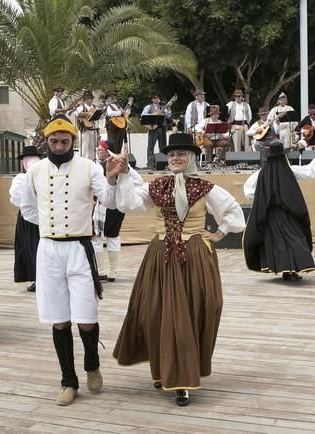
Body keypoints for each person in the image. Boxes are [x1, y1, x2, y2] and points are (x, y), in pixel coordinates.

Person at [105, 133, 246, 407]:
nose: (175, 158)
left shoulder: (206, 188)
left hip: (194, 255)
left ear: (192, 157)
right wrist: (119, 176)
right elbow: (128, 205)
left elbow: (234, 214)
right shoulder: (157, 186)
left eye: (181, 154)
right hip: (161, 256)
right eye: (171, 155)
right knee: (158, 313)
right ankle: (169, 375)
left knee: (201, 308)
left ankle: (182, 374)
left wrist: (218, 234)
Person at [19, 115, 116, 406]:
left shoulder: (88, 168)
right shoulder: (34, 171)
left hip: (80, 249)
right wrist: (51, 228)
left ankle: (92, 365)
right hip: (49, 250)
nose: (59, 145)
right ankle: (68, 381)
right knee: (59, 320)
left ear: (73, 141)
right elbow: (28, 209)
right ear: (46, 142)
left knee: (86, 317)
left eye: (64, 141)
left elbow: (109, 201)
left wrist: (111, 175)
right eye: (53, 141)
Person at [243, 140, 315, 281]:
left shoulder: (260, 174)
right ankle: (292, 270)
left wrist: (263, 200)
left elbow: (248, 192)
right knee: (294, 239)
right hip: (289, 213)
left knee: (277, 242)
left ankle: (285, 269)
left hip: (271, 214)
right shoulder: (289, 170)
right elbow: (310, 171)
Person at [92, 139, 143, 282]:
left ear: (108, 151)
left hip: (104, 206)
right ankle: (112, 272)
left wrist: (119, 183)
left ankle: (102, 271)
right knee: (113, 236)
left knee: (96, 237)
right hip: (118, 207)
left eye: (100, 149)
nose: (98, 151)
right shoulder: (121, 164)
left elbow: (138, 182)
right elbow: (139, 181)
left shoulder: (100, 166)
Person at [9, 145, 43, 292]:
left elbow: (15, 196)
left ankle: (39, 279)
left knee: (31, 248)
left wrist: (28, 205)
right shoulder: (44, 174)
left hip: (28, 217)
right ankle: (41, 279)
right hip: (44, 215)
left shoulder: (21, 178)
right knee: (37, 248)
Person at [141, 93, 172, 169]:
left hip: (162, 127)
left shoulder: (162, 107)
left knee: (163, 146)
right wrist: (154, 114)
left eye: (158, 97)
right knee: (151, 145)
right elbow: (143, 115)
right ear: (152, 99)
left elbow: (168, 115)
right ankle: (150, 163)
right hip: (153, 128)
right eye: (155, 98)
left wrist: (168, 108)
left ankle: (163, 162)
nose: (157, 99)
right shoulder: (149, 107)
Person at [74, 90, 99, 160]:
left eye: (91, 98)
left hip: (93, 129)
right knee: (83, 148)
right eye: (89, 98)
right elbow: (77, 113)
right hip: (84, 129)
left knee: (92, 148)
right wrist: (87, 113)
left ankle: (91, 163)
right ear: (85, 99)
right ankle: (82, 163)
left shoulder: (94, 107)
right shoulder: (81, 106)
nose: (90, 100)